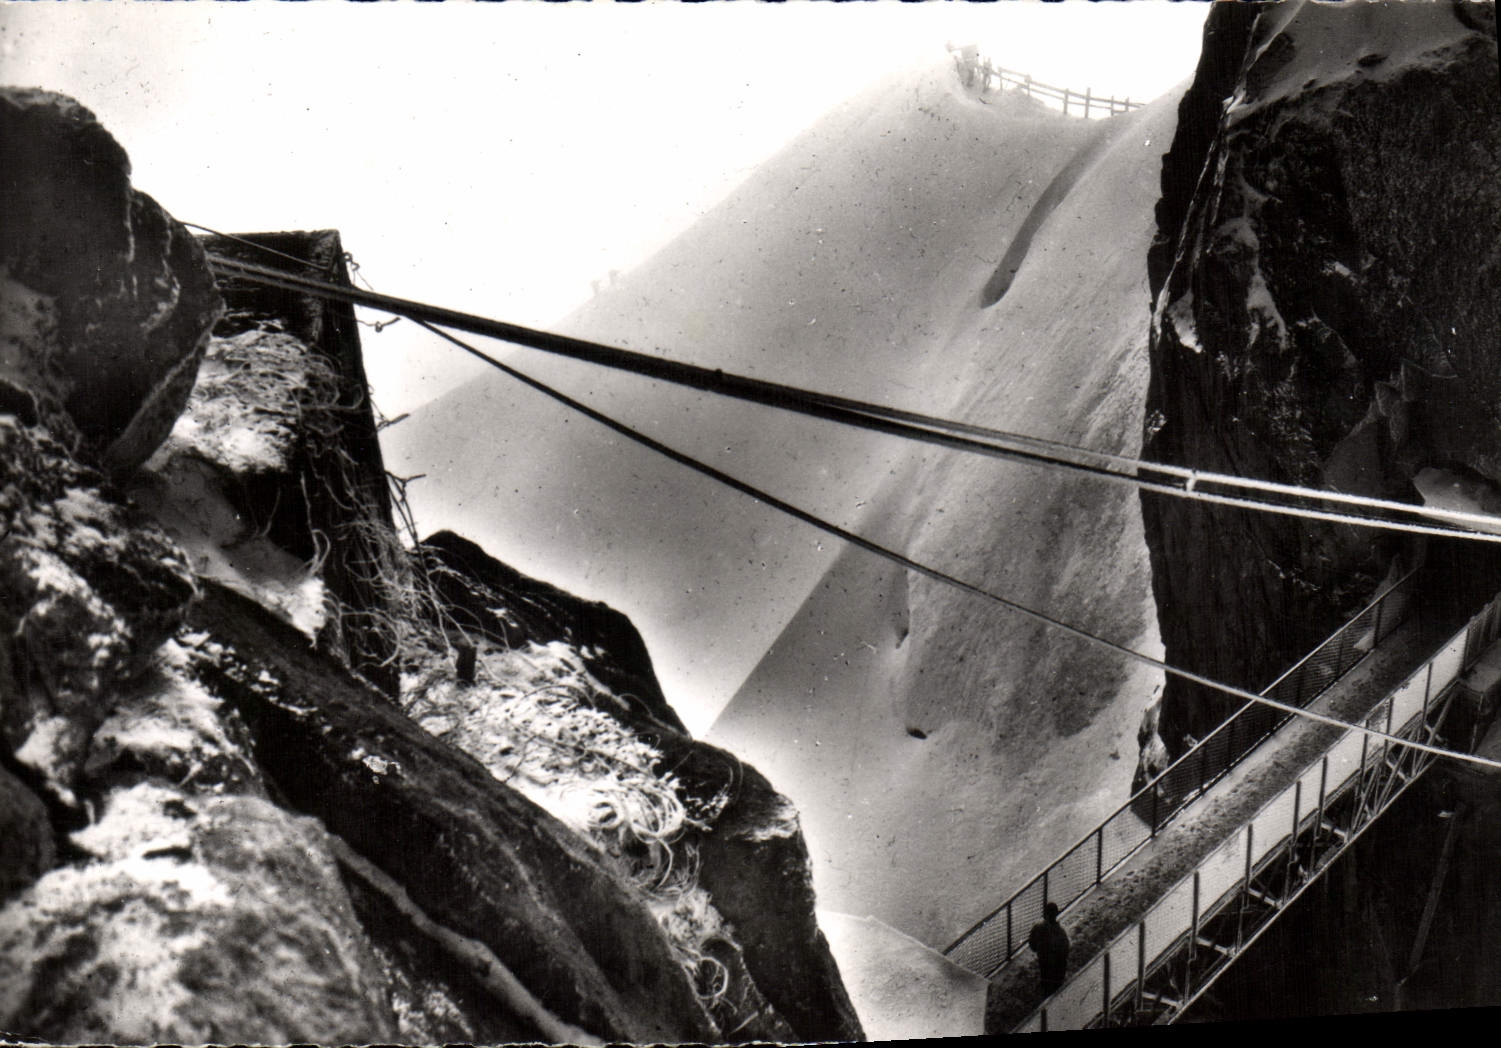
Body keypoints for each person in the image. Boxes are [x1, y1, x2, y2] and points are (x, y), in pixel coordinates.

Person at [1028, 902, 1070, 997]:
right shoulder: (1061, 932)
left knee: (1046, 980)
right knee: (1057, 986)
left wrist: (1039, 950)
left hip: (1044, 960)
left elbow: (1032, 943)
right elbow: (1066, 950)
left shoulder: (1038, 928)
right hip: (1059, 965)